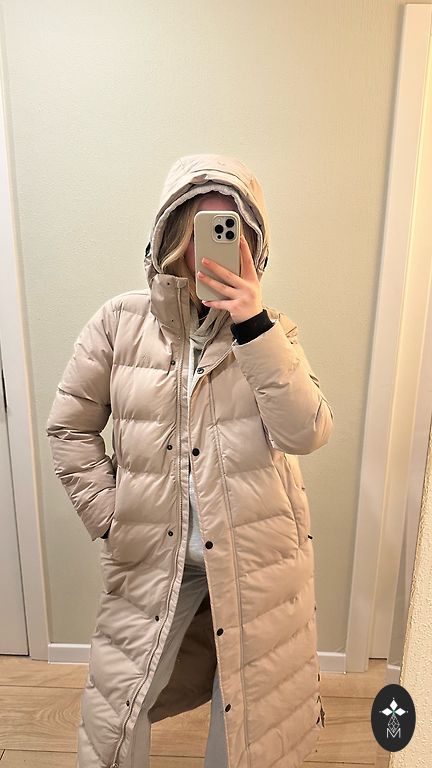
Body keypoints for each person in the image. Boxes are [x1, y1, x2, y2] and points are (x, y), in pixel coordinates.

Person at [46, 153, 333, 768]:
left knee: (251, 718)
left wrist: (252, 324)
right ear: (172, 231)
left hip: (257, 560)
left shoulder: (272, 332)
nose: (212, 245)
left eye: (230, 231)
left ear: (252, 245)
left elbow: (306, 431)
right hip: (154, 557)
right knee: (117, 711)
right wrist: (111, 517)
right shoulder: (118, 324)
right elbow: (70, 428)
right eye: (201, 226)